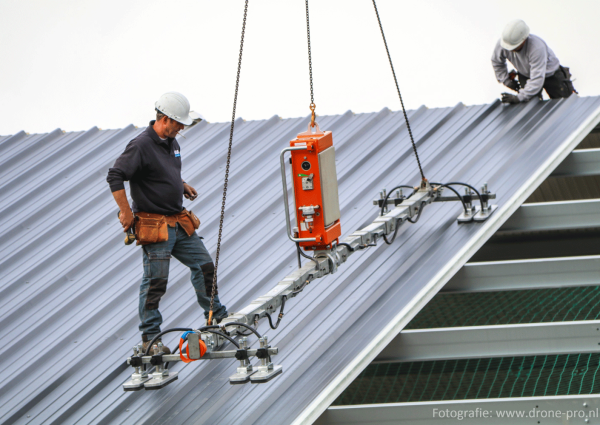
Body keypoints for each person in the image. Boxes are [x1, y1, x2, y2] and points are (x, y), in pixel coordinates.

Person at [106, 92, 228, 353]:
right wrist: (126, 213)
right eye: (178, 123)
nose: (182, 128)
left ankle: (218, 318)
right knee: (155, 282)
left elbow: (163, 173)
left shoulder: (172, 143)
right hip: (155, 227)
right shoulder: (140, 145)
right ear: (164, 119)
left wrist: (180, 184)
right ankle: (151, 340)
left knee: (205, 266)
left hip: (179, 223)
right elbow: (115, 175)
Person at [492, 19, 576, 104]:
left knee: (565, 103)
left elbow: (537, 78)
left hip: (551, 75)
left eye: (514, 47)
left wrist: (519, 97)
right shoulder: (504, 44)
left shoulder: (536, 48)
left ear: (523, 40)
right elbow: (496, 61)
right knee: (529, 104)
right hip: (526, 74)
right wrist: (506, 80)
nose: (511, 50)